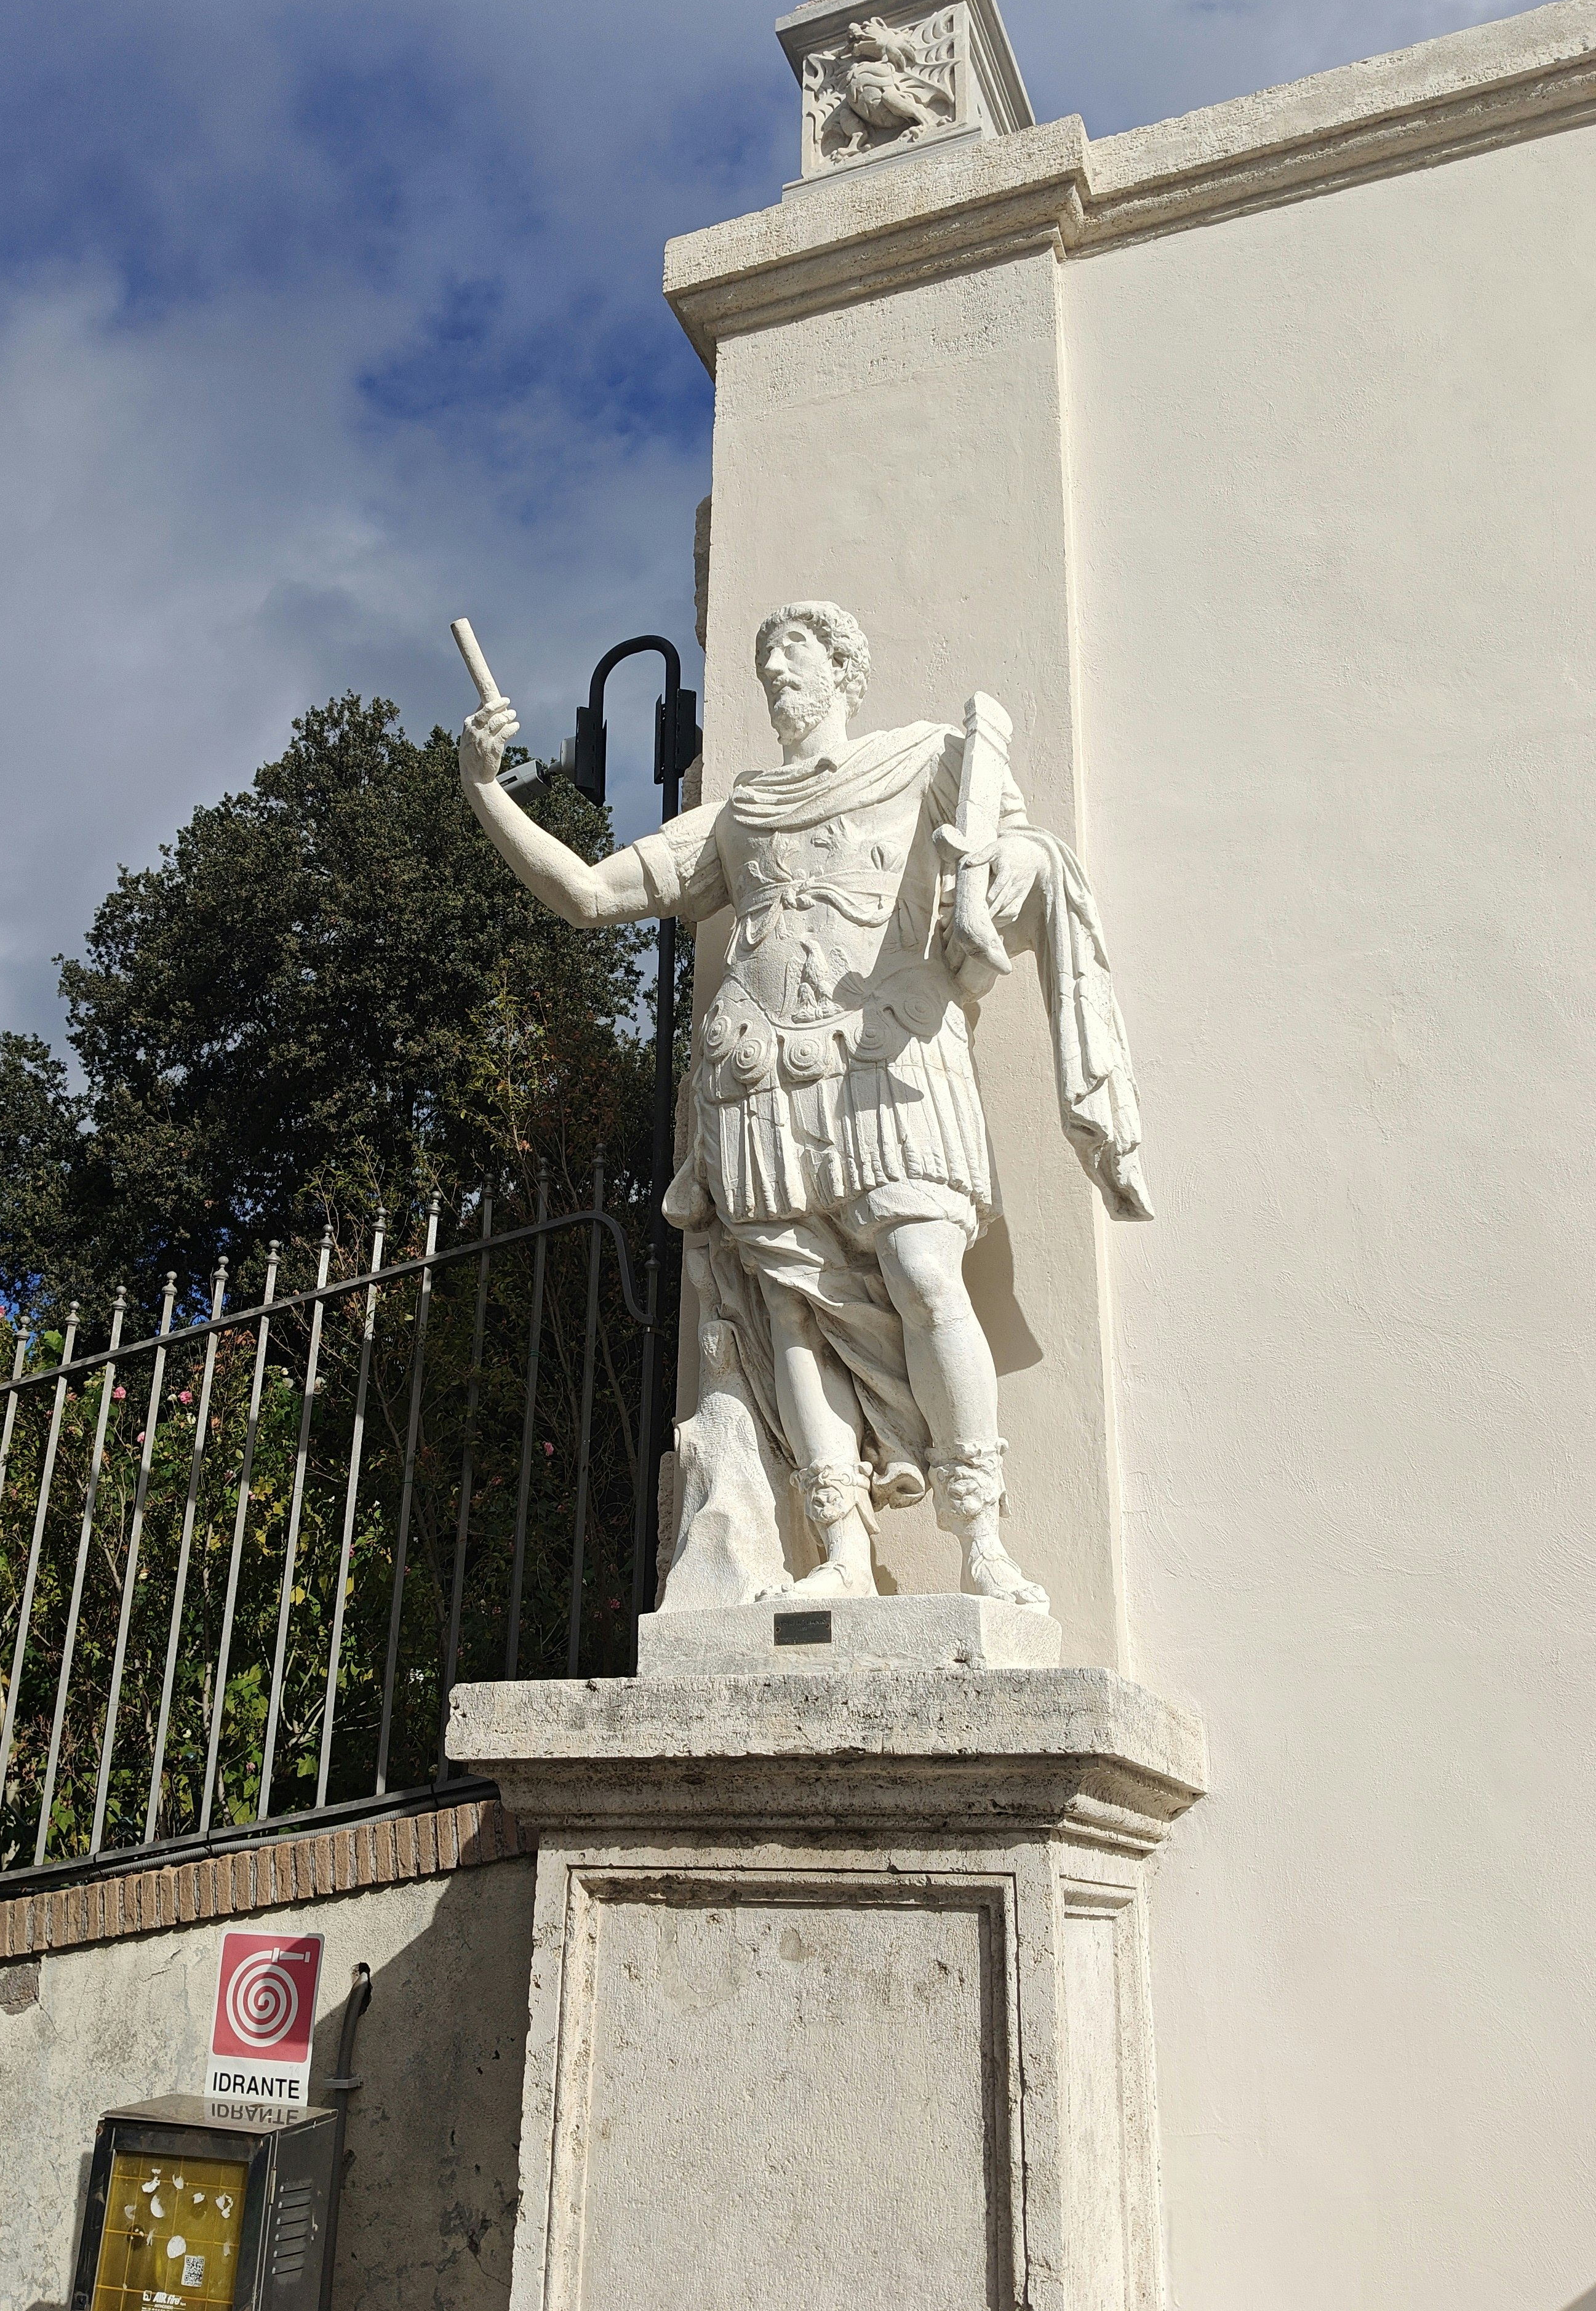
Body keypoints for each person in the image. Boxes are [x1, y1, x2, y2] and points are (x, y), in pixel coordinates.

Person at [460, 601, 1148, 1604]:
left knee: (924, 1269)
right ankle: (840, 1550)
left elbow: (1018, 858)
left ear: (844, 673)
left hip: (892, 1058)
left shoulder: (923, 760)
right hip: (759, 1085)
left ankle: (980, 1544)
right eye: (765, 662)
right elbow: (590, 894)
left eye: (795, 656)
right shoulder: (739, 814)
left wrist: (991, 883)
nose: (775, 673)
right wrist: (485, 788)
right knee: (792, 1315)